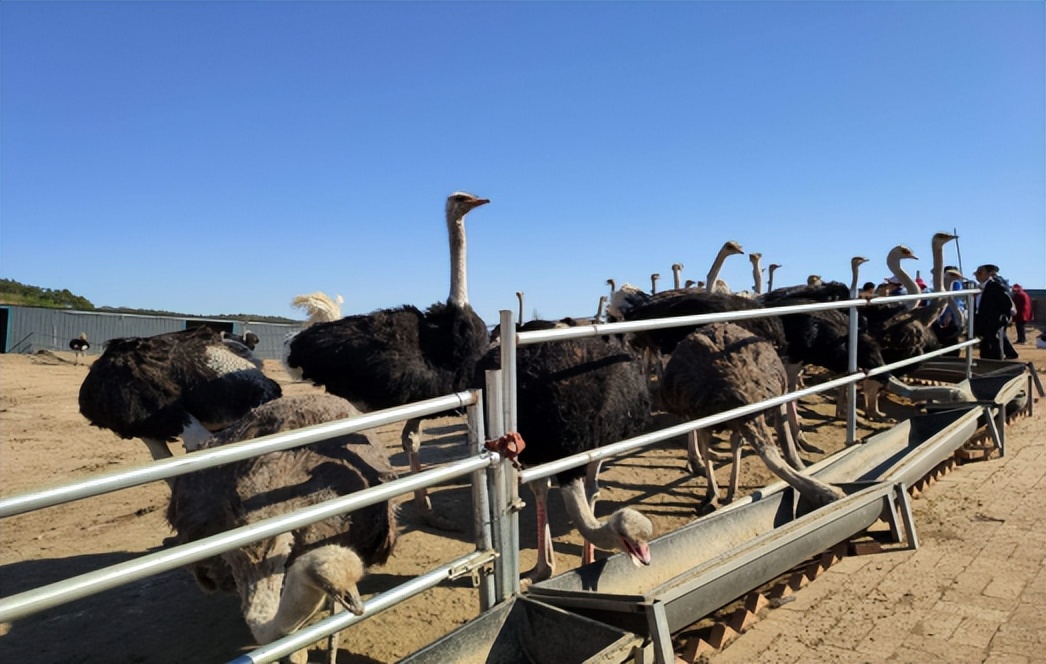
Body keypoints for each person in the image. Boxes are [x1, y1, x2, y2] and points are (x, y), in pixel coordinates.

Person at [973, 264, 1017, 359]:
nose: (977, 275)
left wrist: (1004, 318)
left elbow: (1006, 303)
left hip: (993, 322)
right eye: (976, 273)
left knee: (994, 345)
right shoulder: (977, 289)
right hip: (981, 322)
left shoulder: (995, 286)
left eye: (980, 272)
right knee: (985, 346)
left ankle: (998, 362)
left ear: (989, 274)